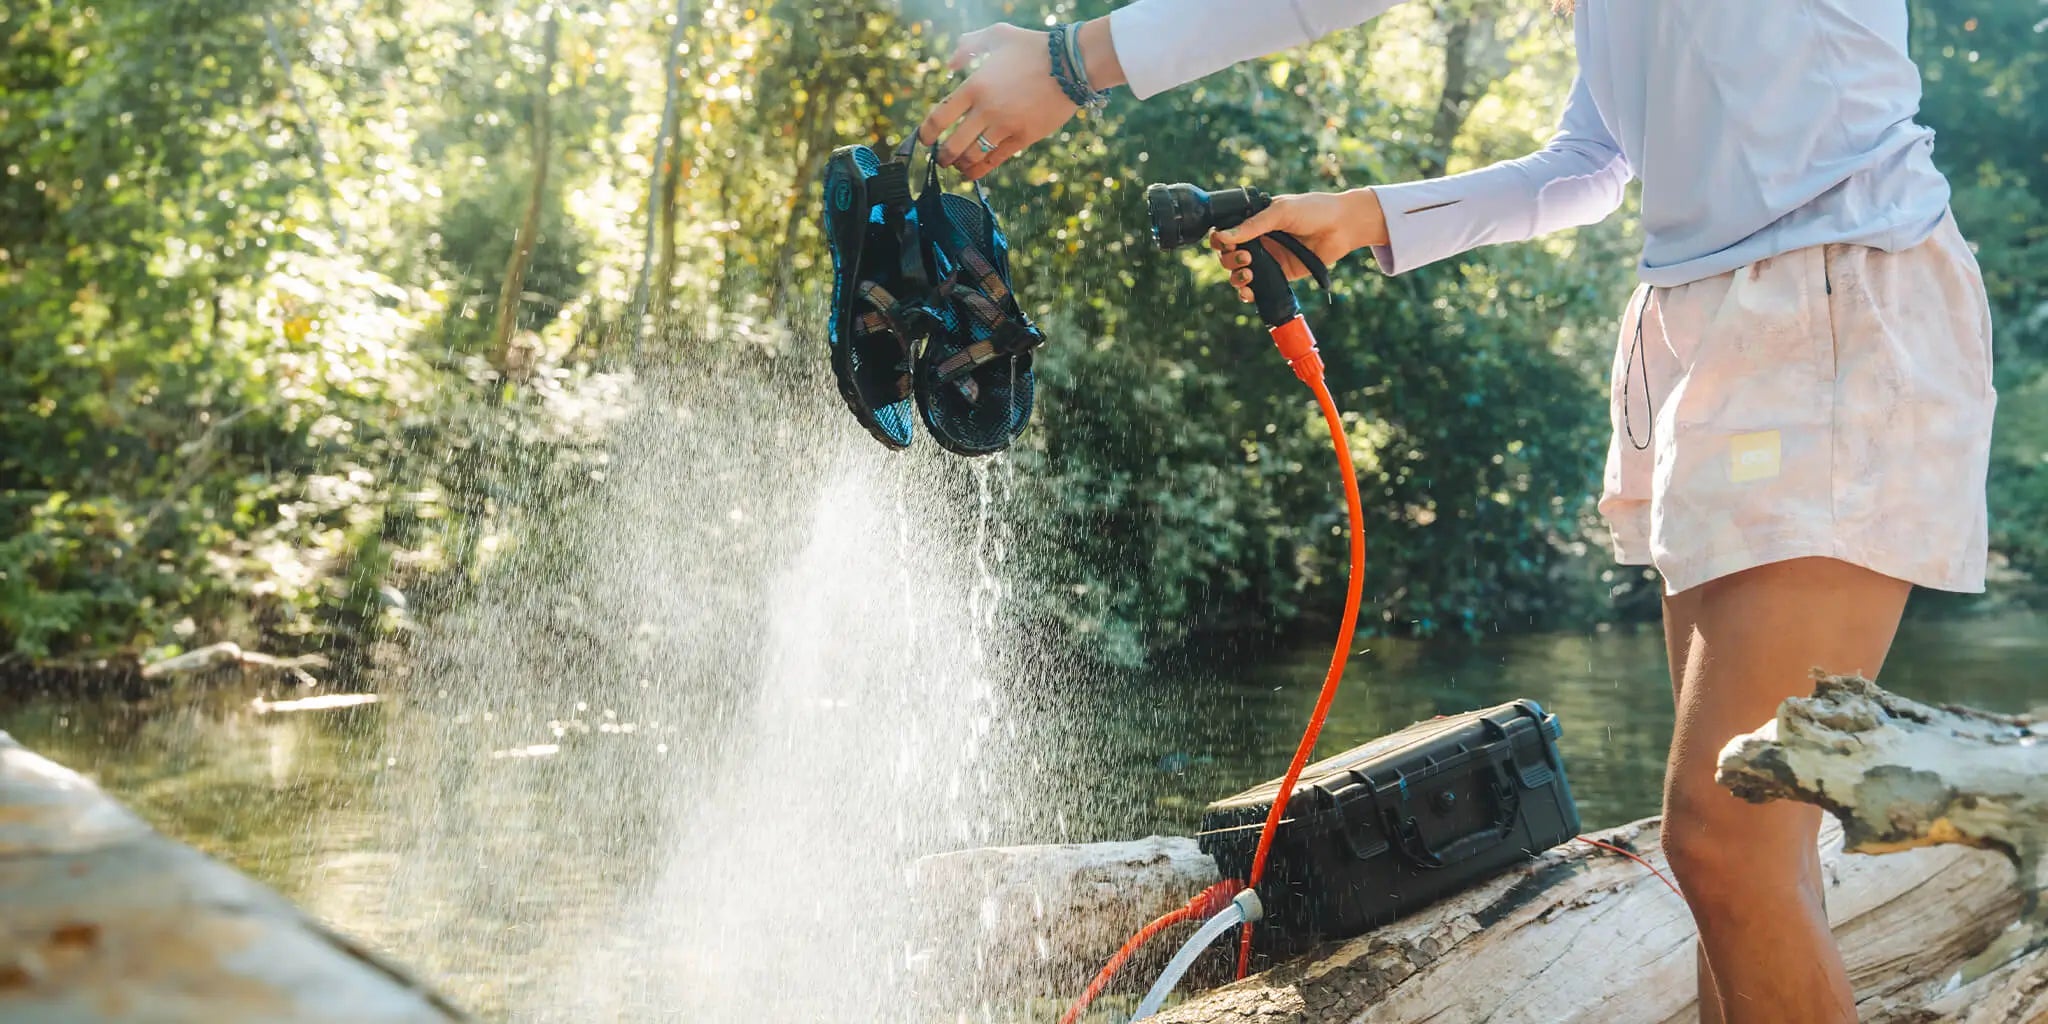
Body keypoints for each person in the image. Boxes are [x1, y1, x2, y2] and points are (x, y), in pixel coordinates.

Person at [919, 2, 1998, 1021]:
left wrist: (1074, 62)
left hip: (1835, 301)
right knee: (1743, 852)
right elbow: (1584, 168)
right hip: (1710, 327)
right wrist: (1364, 217)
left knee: (1728, 843)